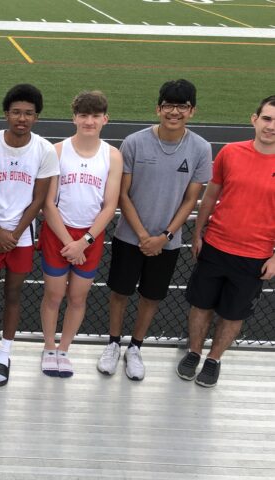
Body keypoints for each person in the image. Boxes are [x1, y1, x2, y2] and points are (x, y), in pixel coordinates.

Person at [98, 79, 211, 381]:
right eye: (169, 105)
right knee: (120, 293)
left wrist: (166, 236)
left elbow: (191, 198)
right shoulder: (135, 142)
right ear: (158, 108)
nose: (174, 112)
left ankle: (135, 347)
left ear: (192, 111)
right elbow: (123, 194)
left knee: (151, 296)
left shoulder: (200, 148)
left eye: (182, 106)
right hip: (128, 237)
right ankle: (113, 343)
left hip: (168, 243)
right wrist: (144, 235)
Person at [176, 95, 275, 388]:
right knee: (201, 306)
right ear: (254, 119)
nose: (271, 126)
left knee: (233, 314)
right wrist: (198, 233)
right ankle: (194, 352)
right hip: (216, 246)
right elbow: (210, 196)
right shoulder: (230, 152)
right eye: (267, 118)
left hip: (254, 255)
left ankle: (214, 358)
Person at [0, 84, 58, 387]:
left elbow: (38, 199)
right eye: (16, 112)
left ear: (36, 117)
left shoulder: (45, 150)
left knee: (13, 295)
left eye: (29, 113)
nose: (22, 118)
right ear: (6, 114)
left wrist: (15, 234)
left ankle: (5, 354)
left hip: (21, 237)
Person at [39, 91, 122, 378]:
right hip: (59, 232)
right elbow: (48, 203)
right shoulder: (58, 151)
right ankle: (49, 347)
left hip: (90, 235)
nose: (89, 121)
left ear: (105, 119)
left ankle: (64, 350)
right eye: (84, 115)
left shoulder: (112, 155)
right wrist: (68, 242)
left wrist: (84, 241)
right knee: (54, 294)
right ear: (74, 118)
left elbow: (110, 205)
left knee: (77, 296)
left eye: (95, 116)